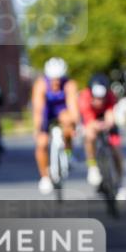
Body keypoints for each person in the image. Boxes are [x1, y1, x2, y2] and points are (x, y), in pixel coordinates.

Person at [31, 57, 79, 195]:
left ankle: (68, 154)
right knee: (42, 143)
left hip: (61, 110)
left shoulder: (69, 84)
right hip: (47, 111)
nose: (56, 82)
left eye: (59, 79)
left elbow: (73, 107)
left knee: (68, 123)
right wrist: (38, 128)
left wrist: (74, 124)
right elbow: (38, 109)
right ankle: (45, 177)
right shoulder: (41, 85)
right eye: (53, 79)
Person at [80, 74, 126, 200]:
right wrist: (96, 126)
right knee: (90, 136)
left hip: (105, 119)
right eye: (96, 98)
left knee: (116, 150)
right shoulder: (84, 97)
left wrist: (108, 124)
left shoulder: (111, 96)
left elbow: (110, 115)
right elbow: (88, 120)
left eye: (102, 98)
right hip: (92, 119)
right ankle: (92, 166)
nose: (99, 102)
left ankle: (120, 182)